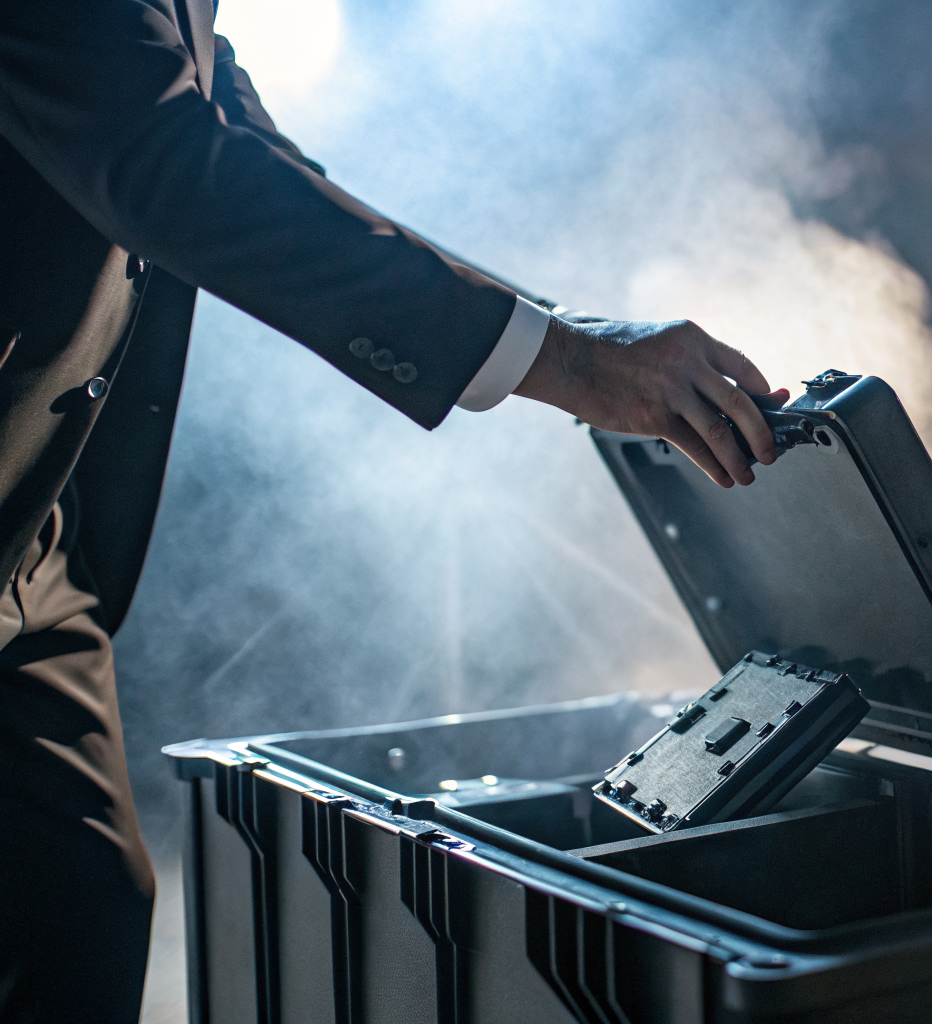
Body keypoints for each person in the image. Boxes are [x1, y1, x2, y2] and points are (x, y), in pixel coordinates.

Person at [0, 2, 786, 1019]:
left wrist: (571, 337)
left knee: (84, 904)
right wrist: (575, 365)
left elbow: (254, 154)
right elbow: (173, 173)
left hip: (32, 542)